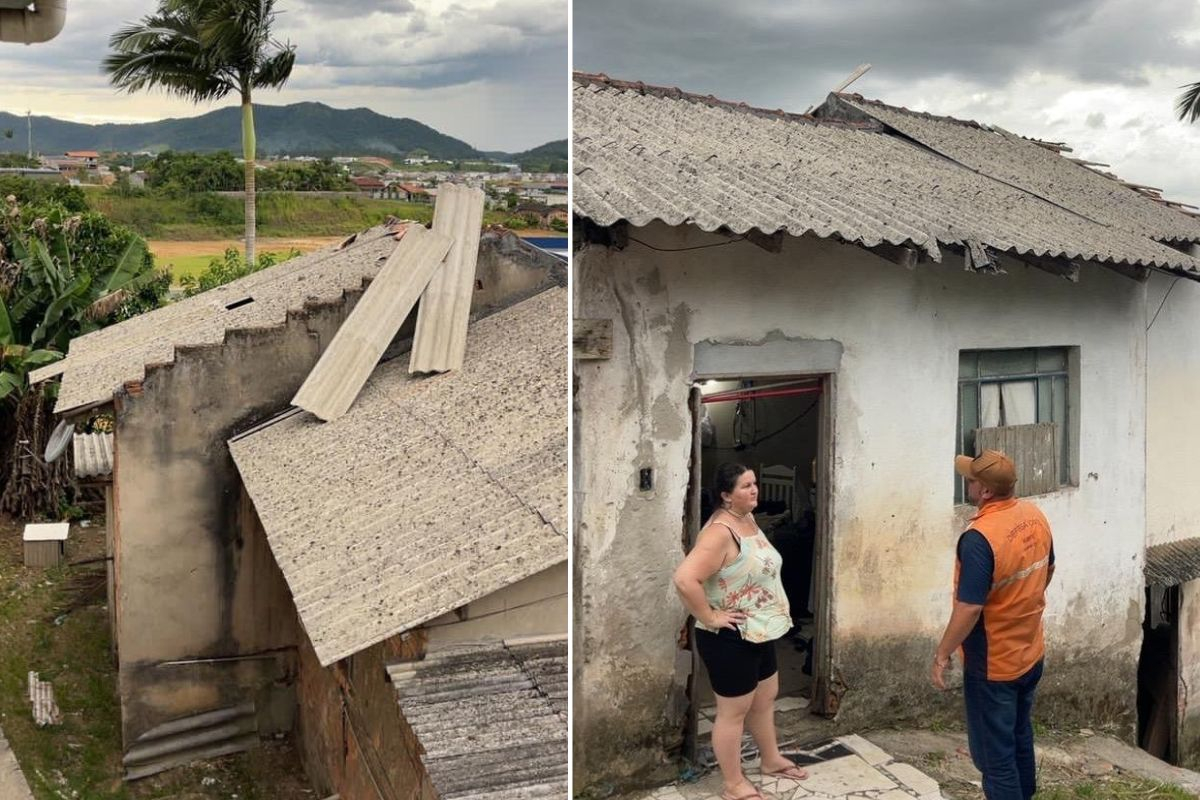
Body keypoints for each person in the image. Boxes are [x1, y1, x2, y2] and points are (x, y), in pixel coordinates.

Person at [674, 463, 808, 800]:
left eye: (754, 484)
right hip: (730, 636)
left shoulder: (747, 520)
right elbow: (684, 579)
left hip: (760, 630)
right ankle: (733, 784)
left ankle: (771, 759)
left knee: (764, 699)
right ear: (725, 495)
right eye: (745, 486)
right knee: (733, 712)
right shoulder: (720, 532)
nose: (754, 491)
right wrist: (710, 615)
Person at [933, 450, 1055, 800]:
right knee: (1019, 735)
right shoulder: (1034, 515)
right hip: (1031, 651)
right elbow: (1047, 570)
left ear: (985, 491)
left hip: (994, 664)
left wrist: (942, 655)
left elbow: (970, 607)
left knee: (995, 757)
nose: (967, 482)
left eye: (971, 479)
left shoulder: (979, 538)